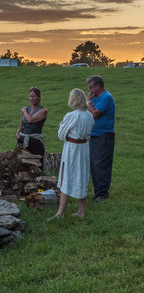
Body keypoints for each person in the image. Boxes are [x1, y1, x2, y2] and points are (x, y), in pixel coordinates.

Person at [50, 88, 95, 219]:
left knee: (67, 175)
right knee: (82, 175)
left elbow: (61, 134)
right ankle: (81, 210)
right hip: (84, 148)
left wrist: (68, 137)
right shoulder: (89, 115)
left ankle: (61, 212)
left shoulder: (72, 115)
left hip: (72, 148)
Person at [86, 74, 115, 201]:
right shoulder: (95, 98)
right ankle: (98, 192)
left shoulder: (106, 97)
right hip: (94, 135)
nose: (89, 90)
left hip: (104, 135)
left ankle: (103, 193)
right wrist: (88, 103)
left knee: (101, 164)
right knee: (93, 164)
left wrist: (88, 102)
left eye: (91, 87)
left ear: (98, 85)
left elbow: (95, 114)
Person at [16, 86, 47, 164]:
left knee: (36, 164)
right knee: (21, 164)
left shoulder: (43, 111)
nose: (31, 99)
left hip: (34, 141)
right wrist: (18, 133)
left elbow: (30, 120)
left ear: (39, 97)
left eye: (33, 96)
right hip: (22, 139)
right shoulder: (27, 109)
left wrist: (24, 111)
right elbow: (21, 124)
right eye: (30, 96)